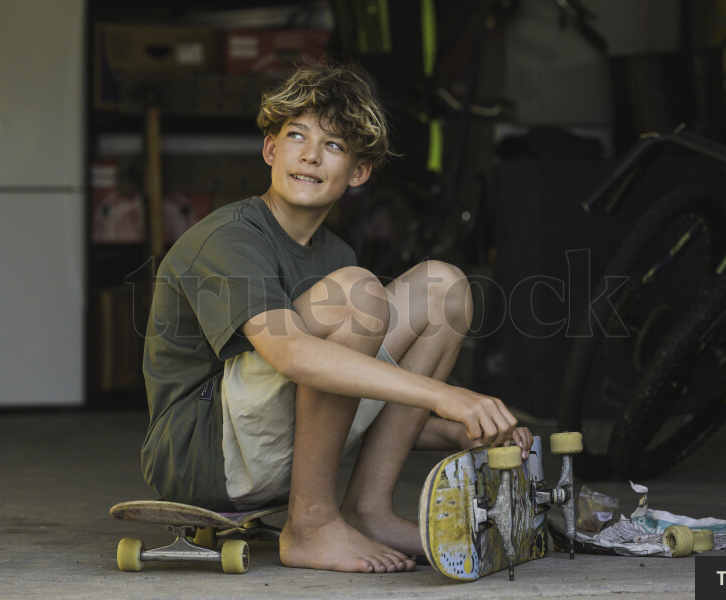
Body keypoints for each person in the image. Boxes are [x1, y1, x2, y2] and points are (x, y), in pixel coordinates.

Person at [140, 61, 532, 574]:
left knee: (445, 286)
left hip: (270, 449)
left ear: (358, 171)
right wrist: (450, 396)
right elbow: (294, 357)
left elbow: (348, 398)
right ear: (270, 150)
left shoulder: (336, 255)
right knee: (357, 293)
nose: (309, 154)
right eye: (296, 136)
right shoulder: (228, 238)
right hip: (204, 457)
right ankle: (309, 526)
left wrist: (459, 430)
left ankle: (367, 509)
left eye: (333, 145)